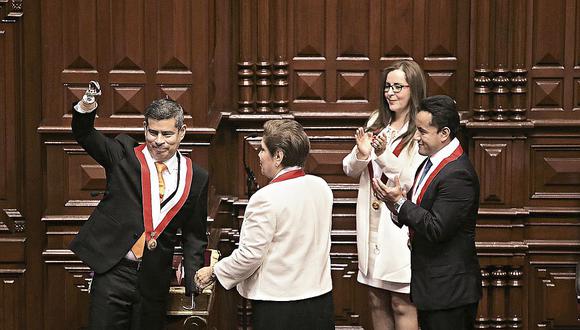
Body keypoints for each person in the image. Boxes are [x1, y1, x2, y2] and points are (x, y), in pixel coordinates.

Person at [69, 82, 208, 330]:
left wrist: (192, 282)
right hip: (114, 271)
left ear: (182, 132)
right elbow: (85, 134)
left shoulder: (195, 177)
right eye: (153, 133)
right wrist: (88, 104)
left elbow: (194, 235)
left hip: (154, 278)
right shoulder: (124, 154)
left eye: (167, 134)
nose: (159, 141)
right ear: (144, 129)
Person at [195, 119, 335, 330]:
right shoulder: (321, 187)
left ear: (278, 156)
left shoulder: (265, 198)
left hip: (279, 306)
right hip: (320, 300)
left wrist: (215, 271)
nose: (259, 155)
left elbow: (250, 256)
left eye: (262, 149)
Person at [373, 95, 482, 330]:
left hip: (449, 293)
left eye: (422, 131)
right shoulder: (430, 162)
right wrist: (394, 205)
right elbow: (419, 210)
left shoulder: (457, 174)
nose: (416, 137)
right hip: (432, 287)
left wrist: (401, 203)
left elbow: (436, 228)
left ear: (444, 133)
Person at [342, 60, 426, 329]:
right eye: (387, 86)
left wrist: (382, 154)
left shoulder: (419, 130)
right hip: (370, 223)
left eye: (397, 86)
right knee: (376, 300)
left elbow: (411, 177)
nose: (390, 92)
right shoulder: (377, 123)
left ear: (413, 89)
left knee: (402, 304)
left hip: (399, 228)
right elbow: (349, 169)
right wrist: (362, 153)